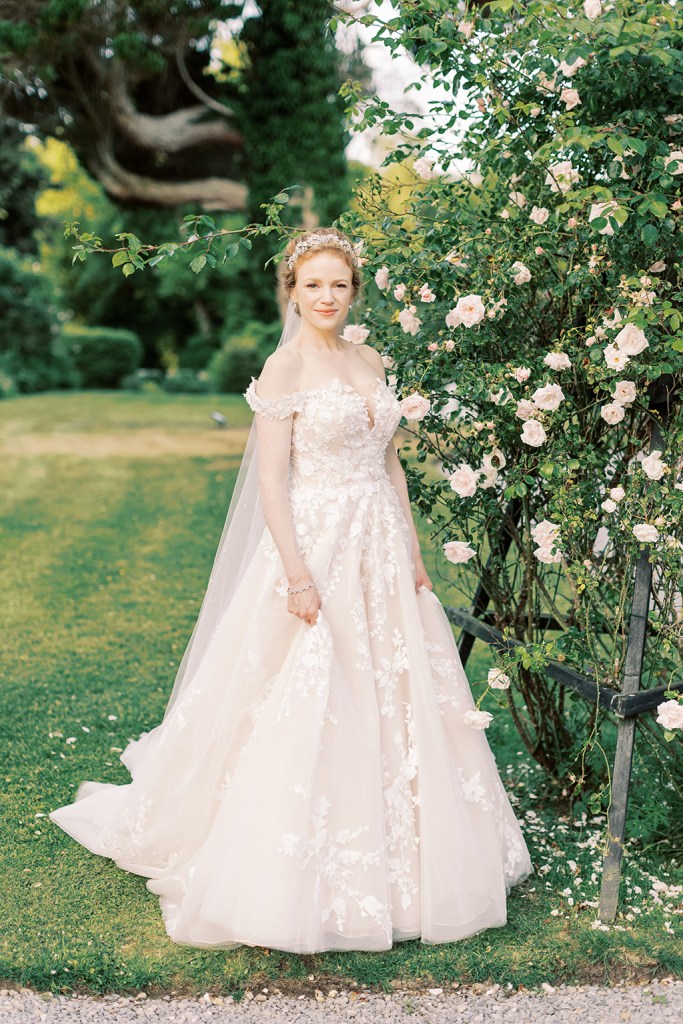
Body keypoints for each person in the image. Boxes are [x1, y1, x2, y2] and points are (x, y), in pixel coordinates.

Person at [49, 227, 532, 953]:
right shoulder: (283, 369)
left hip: (376, 540)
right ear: (293, 292)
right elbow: (272, 481)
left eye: (338, 284)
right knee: (309, 687)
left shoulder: (371, 357)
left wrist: (412, 551)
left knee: (395, 687)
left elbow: (391, 466)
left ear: (353, 290)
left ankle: (415, 845)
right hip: (316, 543)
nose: (327, 297)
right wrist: (298, 576)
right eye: (313, 285)